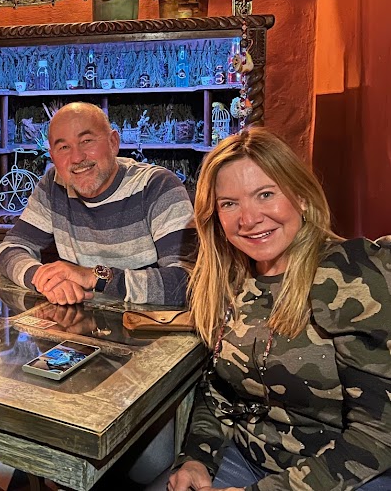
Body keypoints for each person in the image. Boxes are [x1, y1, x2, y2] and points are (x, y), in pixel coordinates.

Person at [166, 127, 391, 490]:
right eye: (229, 203)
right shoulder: (229, 278)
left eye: (265, 194)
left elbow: (379, 435)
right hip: (247, 458)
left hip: (346, 472)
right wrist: (196, 457)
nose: (249, 219)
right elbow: (219, 394)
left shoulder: (351, 273)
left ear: (301, 197)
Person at [0, 102, 196, 306]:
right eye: (64, 147)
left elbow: (190, 282)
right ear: (53, 156)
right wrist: (44, 280)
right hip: (81, 321)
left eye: (86, 141)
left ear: (113, 143)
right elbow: (10, 249)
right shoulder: (54, 185)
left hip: (149, 324)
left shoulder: (157, 186)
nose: (77, 157)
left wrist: (96, 277)